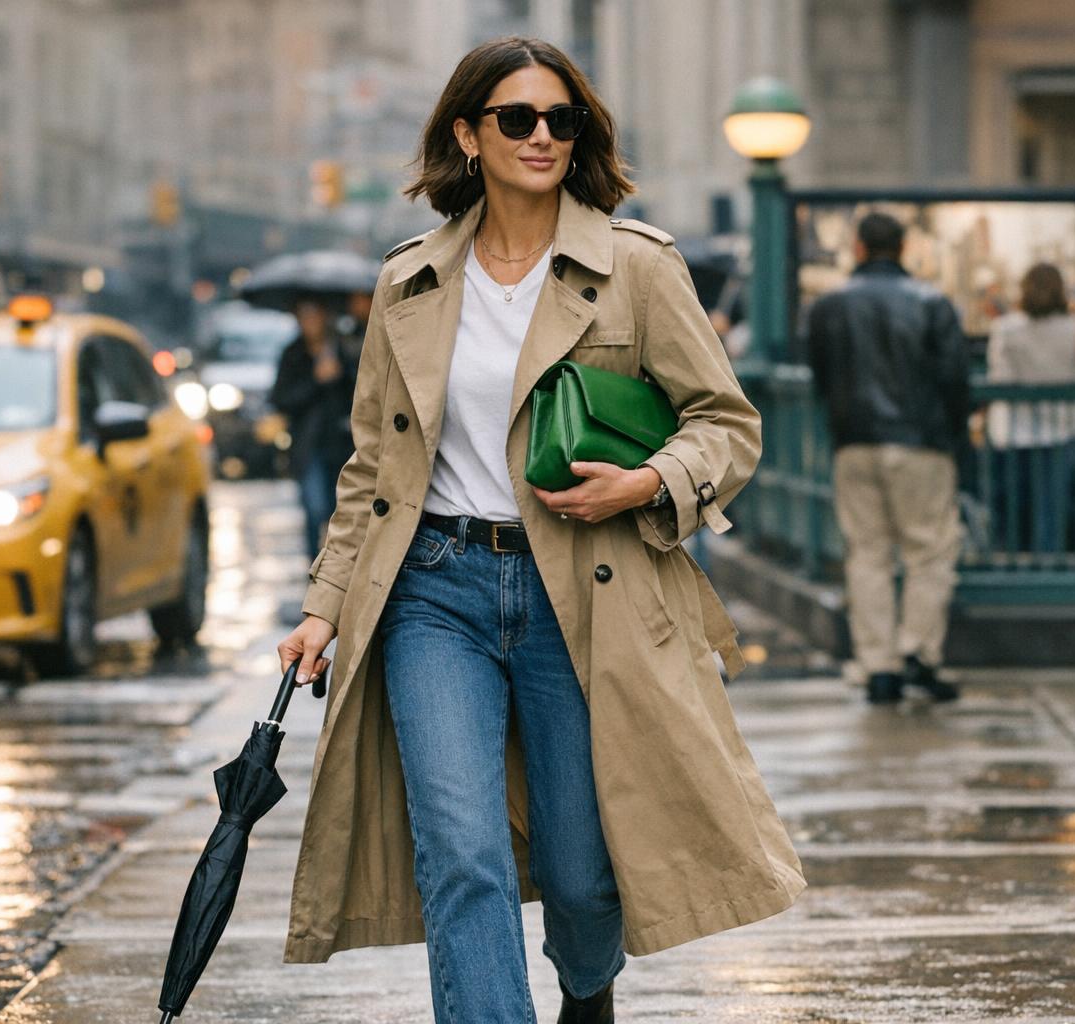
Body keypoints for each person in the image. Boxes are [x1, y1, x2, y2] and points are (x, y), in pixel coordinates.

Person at [274, 37, 804, 1024]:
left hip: (585, 590)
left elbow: (727, 424)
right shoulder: (409, 283)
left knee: (584, 869)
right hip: (434, 590)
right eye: (517, 118)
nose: (542, 136)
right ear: (468, 134)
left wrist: (647, 480)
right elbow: (372, 475)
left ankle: (587, 989)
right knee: (463, 854)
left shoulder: (634, 267)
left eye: (561, 120)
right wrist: (323, 608)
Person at [804, 211, 970, 705]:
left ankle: (878, 666)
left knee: (868, 554)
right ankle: (920, 652)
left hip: (853, 440)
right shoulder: (932, 301)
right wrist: (954, 434)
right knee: (929, 551)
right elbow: (955, 378)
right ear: (903, 249)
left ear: (857, 248)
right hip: (920, 441)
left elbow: (818, 371)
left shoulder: (828, 305)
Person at [986, 263, 1075, 553]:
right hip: (1064, 429)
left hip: (1013, 432)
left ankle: (1014, 569)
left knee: (1014, 509)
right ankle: (1047, 571)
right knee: (1053, 510)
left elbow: (1001, 380)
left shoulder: (1005, 328)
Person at [269, 295, 361, 557]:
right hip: (308, 447)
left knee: (341, 511)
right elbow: (281, 398)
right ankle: (314, 564)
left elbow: (359, 394)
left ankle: (339, 564)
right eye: (304, 315)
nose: (310, 321)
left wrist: (340, 373)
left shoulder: (342, 349)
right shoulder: (293, 354)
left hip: (342, 444)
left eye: (314, 314)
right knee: (314, 508)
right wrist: (316, 380)